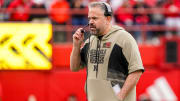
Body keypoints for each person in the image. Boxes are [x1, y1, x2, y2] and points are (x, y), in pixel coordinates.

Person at [70, 1, 144, 101]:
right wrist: (76, 46)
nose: (90, 22)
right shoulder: (90, 41)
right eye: (89, 18)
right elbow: (74, 67)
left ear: (108, 19)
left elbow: (137, 70)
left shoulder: (124, 38)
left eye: (95, 18)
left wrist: (120, 96)